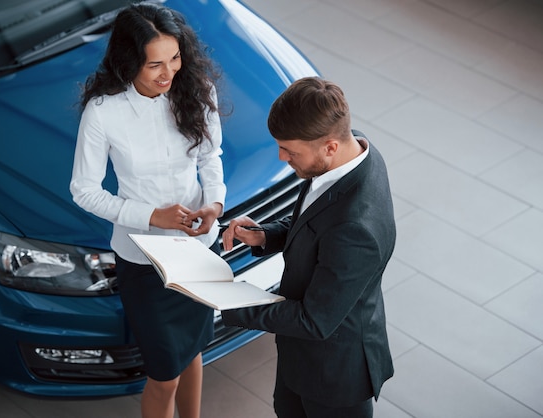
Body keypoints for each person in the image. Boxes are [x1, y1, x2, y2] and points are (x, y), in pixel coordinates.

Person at [69, 3, 226, 418]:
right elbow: (84, 191)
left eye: (175, 58)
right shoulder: (103, 113)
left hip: (198, 248)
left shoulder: (196, 89)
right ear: (128, 61)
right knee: (164, 373)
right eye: (154, 63)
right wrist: (151, 216)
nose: (168, 73)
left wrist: (214, 202)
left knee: (193, 350)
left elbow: (212, 158)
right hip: (143, 260)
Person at [221, 76, 395, 418]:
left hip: (334, 378)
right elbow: (318, 222)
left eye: (290, 151)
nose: (281, 156)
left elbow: (315, 320)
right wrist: (266, 235)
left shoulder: (356, 228)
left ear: (330, 146)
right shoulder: (353, 151)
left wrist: (226, 304)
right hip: (302, 357)